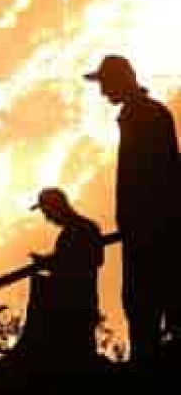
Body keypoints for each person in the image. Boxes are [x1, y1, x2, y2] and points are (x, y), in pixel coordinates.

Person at [84, 54, 181, 364]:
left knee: (147, 307)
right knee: (147, 308)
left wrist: (143, 222)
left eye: (105, 83)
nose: (102, 91)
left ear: (120, 80)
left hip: (152, 234)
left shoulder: (145, 117)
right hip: (147, 231)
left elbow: (159, 177)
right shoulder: (144, 115)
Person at [16, 188, 105, 371]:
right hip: (83, 304)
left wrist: (49, 263)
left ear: (56, 207)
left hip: (74, 306)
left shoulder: (75, 232)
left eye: (47, 212)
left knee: (74, 360)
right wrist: (50, 262)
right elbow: (89, 259)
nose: (47, 218)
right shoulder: (87, 228)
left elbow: (77, 264)